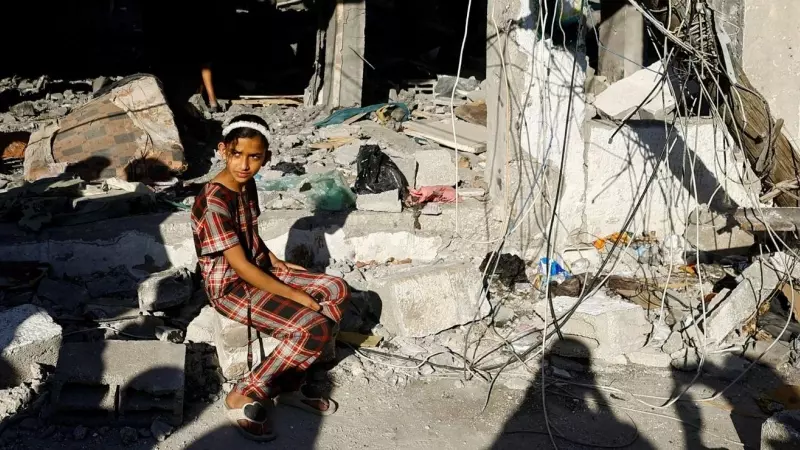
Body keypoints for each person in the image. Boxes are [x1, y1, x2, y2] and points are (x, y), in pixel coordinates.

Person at [190, 114, 349, 441]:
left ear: (266, 157)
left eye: (254, 156)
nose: (245, 164)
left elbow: (250, 235)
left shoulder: (245, 186)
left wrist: (276, 261)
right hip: (232, 288)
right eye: (237, 154)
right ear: (223, 150)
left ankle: (288, 385)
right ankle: (243, 393)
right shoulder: (214, 202)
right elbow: (240, 266)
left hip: (258, 270)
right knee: (313, 326)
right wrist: (296, 296)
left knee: (335, 288)